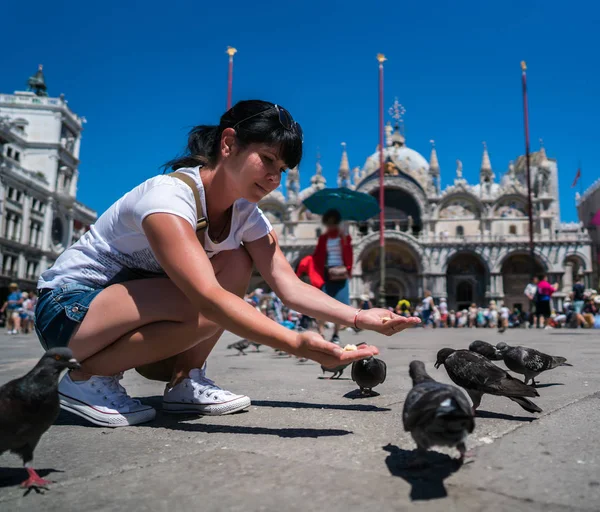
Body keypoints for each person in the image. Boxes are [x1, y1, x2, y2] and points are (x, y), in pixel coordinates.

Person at [33, 100, 419, 428]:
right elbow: (208, 299)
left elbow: (288, 284)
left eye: (281, 170)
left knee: (236, 258)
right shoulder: (168, 198)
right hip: (68, 313)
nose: (273, 178)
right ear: (229, 143)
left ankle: (186, 380)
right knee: (210, 298)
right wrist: (298, 343)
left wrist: (357, 317)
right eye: (267, 159)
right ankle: (82, 379)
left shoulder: (247, 216)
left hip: (126, 318)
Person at [312, 208, 353, 343]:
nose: (331, 225)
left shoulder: (345, 237)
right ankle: (321, 332)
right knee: (322, 305)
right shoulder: (323, 239)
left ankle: (336, 334)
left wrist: (345, 239)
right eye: (328, 223)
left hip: (341, 274)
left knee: (340, 306)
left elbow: (349, 254)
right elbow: (317, 256)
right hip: (326, 273)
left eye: (333, 223)